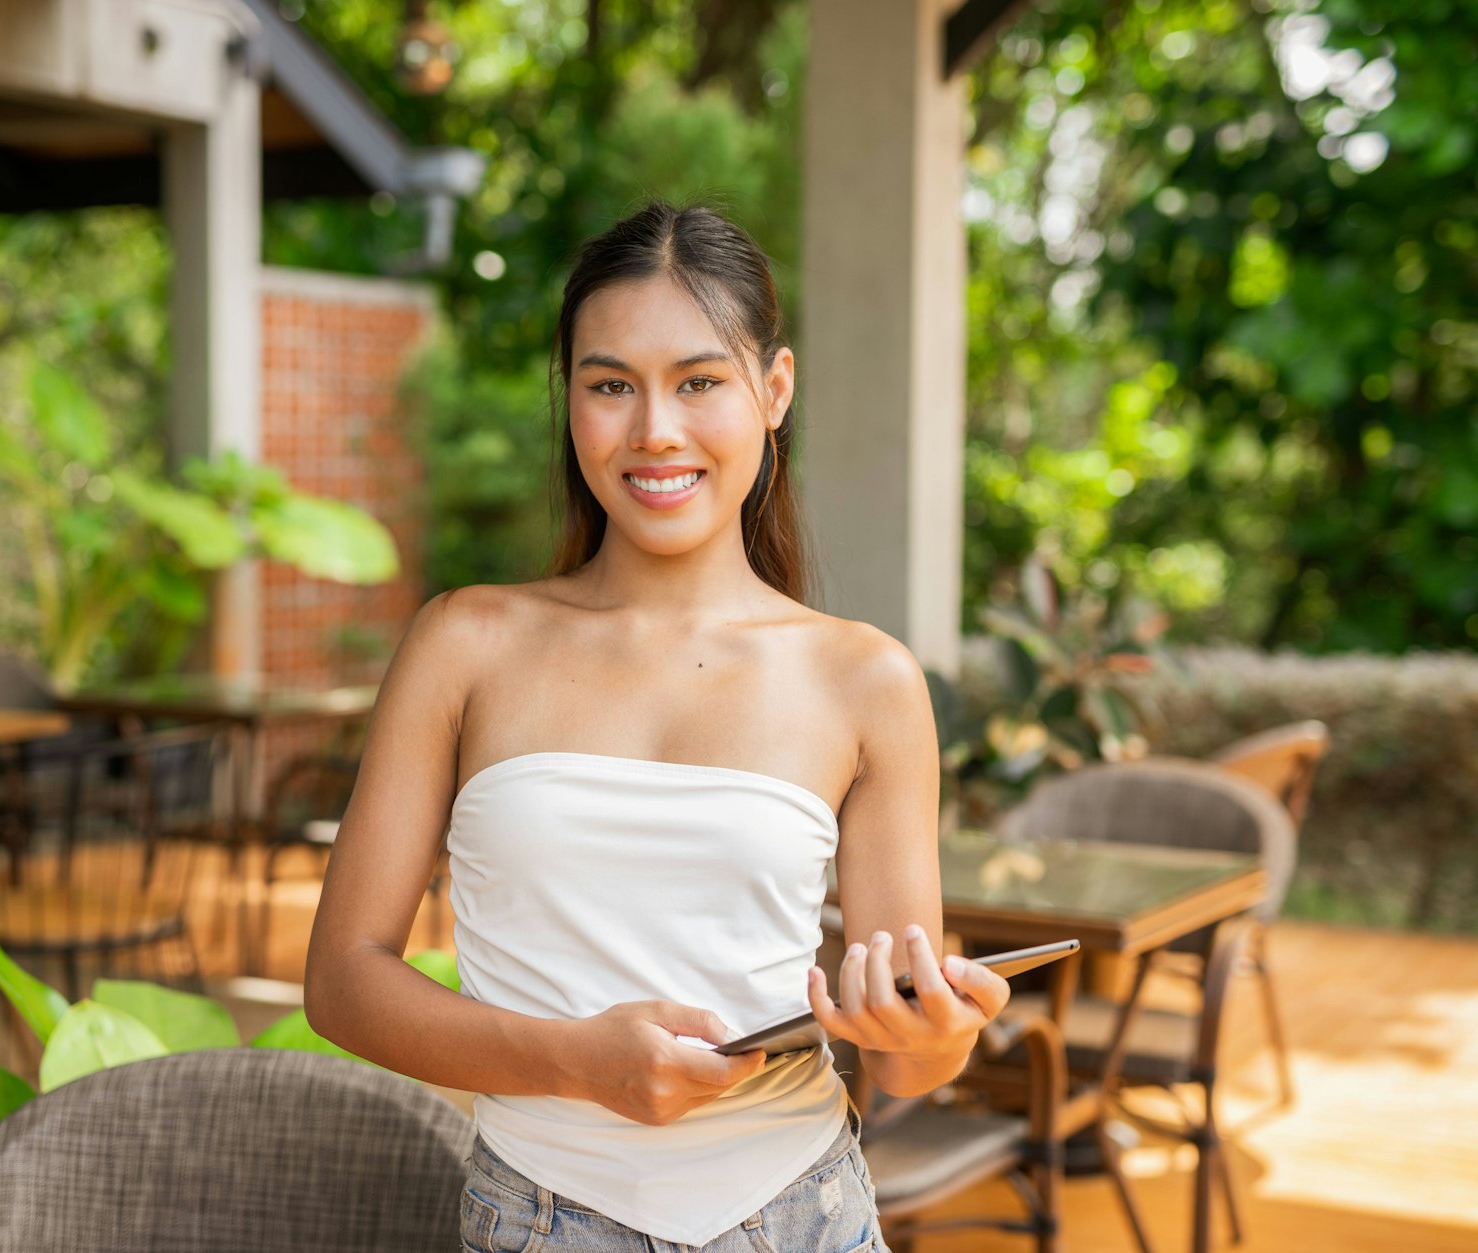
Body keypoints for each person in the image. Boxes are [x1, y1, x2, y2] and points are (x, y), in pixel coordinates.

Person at [303, 199, 1013, 1252]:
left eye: (697, 380)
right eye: (608, 386)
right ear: (569, 400)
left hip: (803, 1215)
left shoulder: (863, 678)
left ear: (771, 390)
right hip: (541, 1219)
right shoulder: (464, 644)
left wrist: (930, 1034)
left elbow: (907, 1062)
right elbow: (342, 980)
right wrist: (571, 1061)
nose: (653, 432)